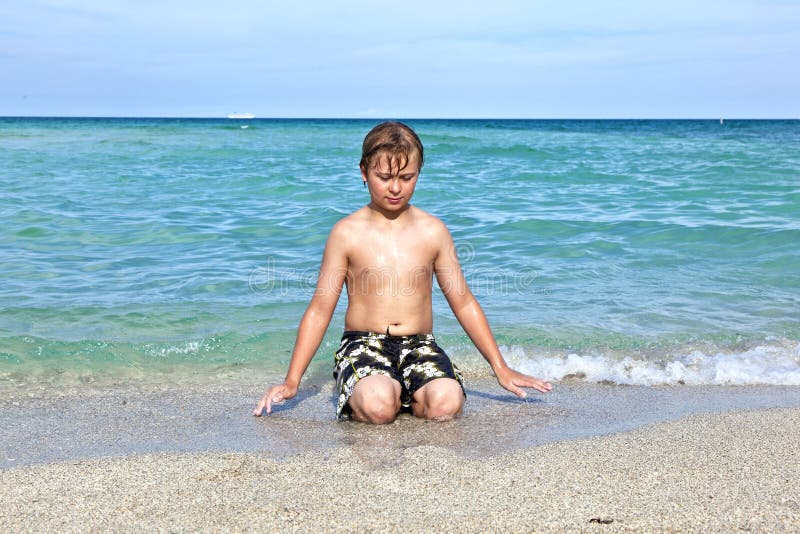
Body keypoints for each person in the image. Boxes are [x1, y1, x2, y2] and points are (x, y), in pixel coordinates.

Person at [253, 121, 552, 423]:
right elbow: (320, 310)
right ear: (363, 172)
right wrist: (292, 381)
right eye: (383, 177)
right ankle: (386, 393)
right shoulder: (346, 233)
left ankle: (407, 394)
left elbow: (463, 302)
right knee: (378, 406)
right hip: (364, 344)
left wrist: (500, 368)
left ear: (419, 174)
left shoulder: (433, 231)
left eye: (406, 177)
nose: (395, 188)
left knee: (446, 404)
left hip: (420, 345)